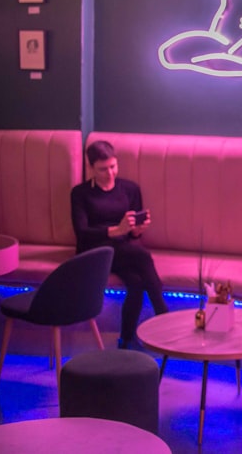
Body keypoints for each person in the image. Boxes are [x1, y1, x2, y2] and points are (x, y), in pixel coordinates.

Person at [71, 140, 168, 349]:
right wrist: (116, 230)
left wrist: (136, 231)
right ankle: (164, 316)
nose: (110, 173)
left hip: (123, 251)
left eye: (113, 166)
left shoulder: (130, 189)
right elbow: (82, 233)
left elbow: (132, 236)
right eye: (103, 169)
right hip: (94, 251)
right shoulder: (79, 194)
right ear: (90, 168)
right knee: (142, 256)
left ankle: (126, 339)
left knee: (136, 282)